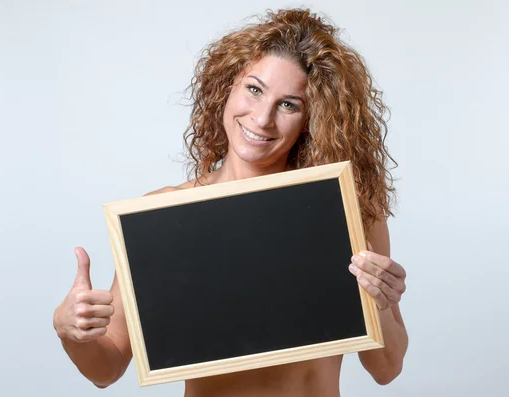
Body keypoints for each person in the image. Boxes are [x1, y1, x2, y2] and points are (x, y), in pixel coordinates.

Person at [53, 7, 408, 397]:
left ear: (312, 119)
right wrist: (72, 331)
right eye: (254, 90)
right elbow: (107, 368)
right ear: (228, 86)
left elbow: (386, 368)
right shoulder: (164, 217)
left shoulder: (347, 210)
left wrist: (382, 305)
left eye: (289, 104)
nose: (262, 118)